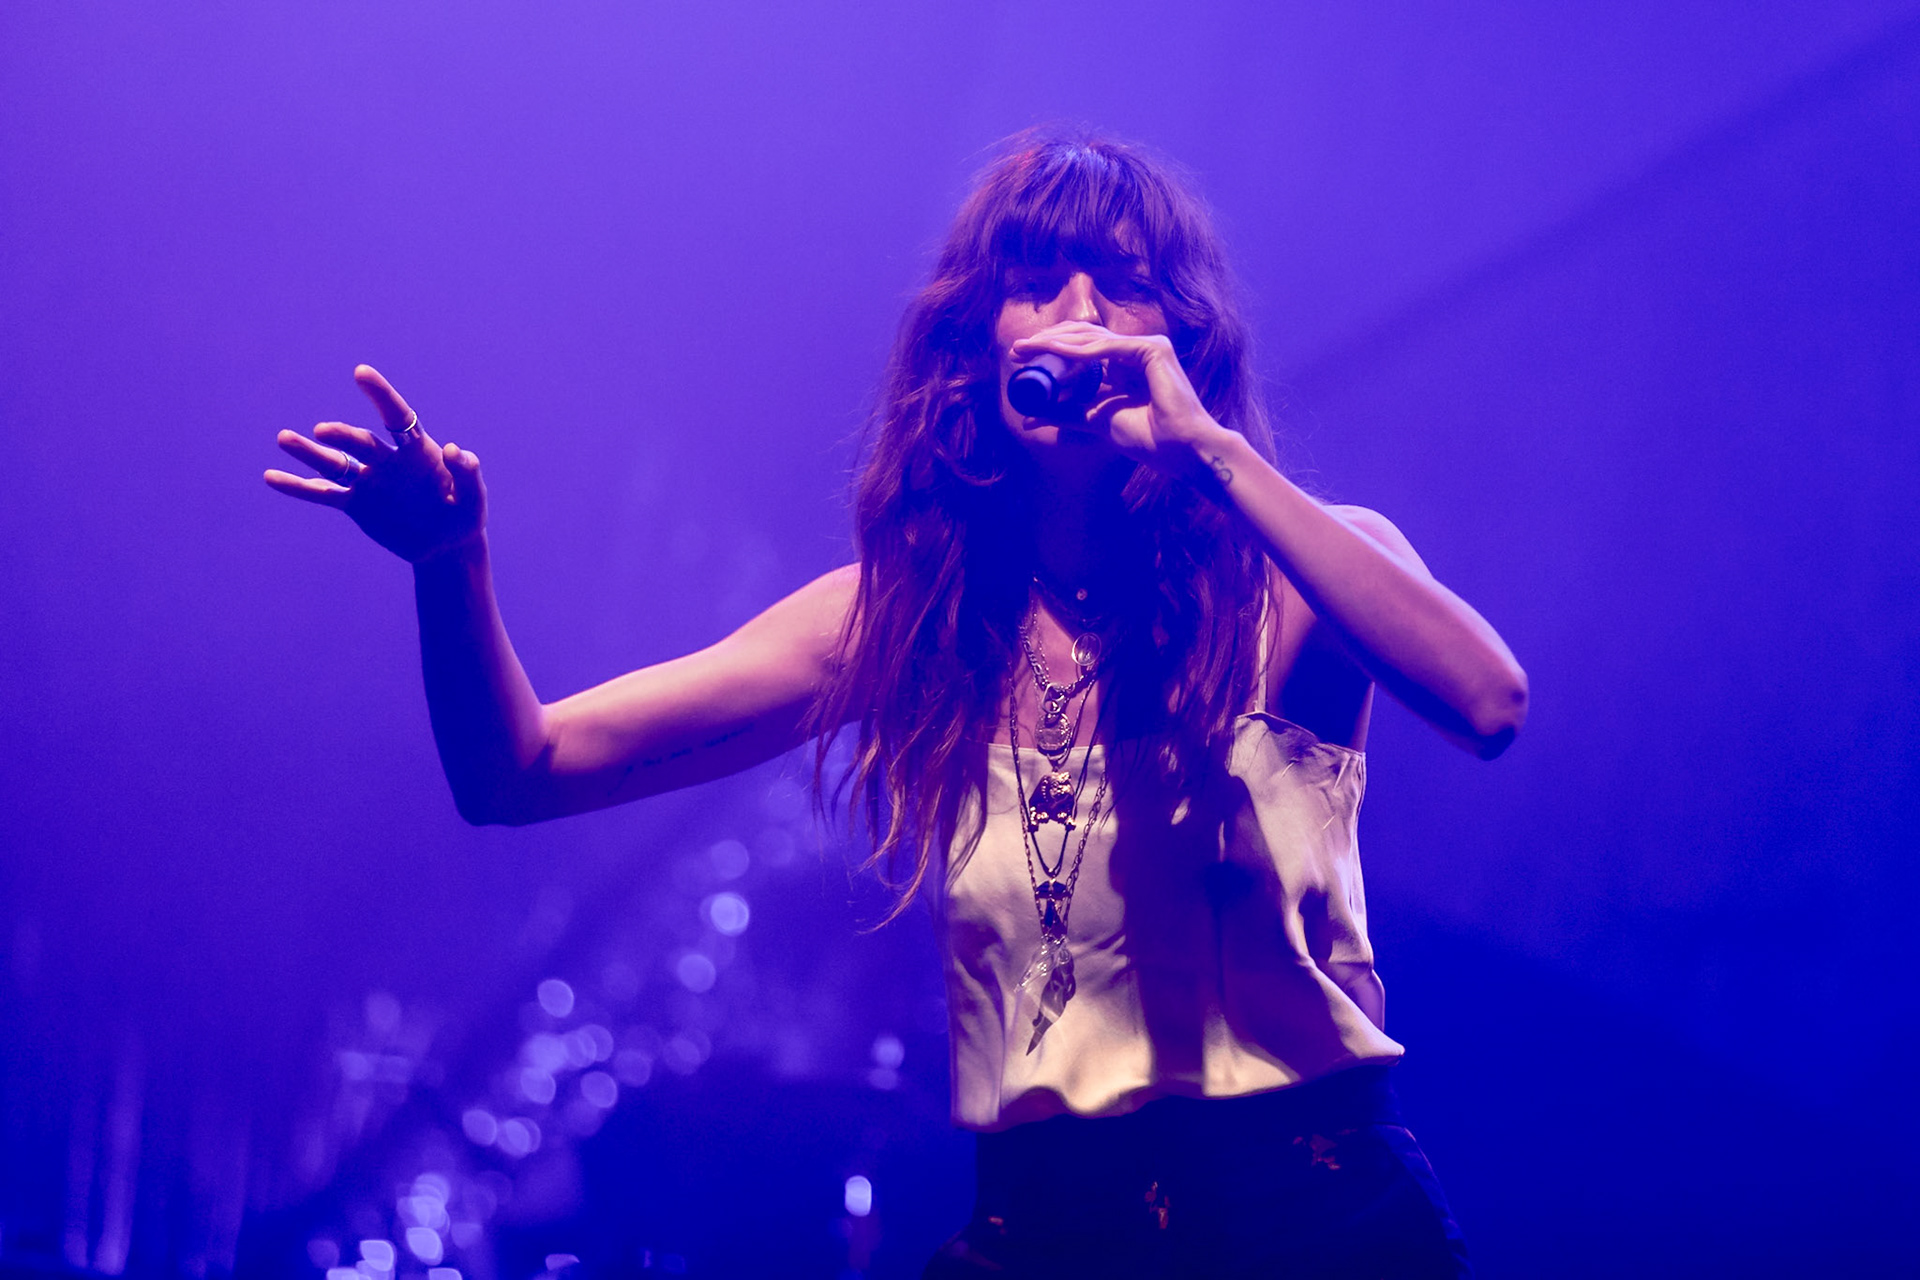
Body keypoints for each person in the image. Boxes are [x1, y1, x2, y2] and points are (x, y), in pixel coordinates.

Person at [266, 132, 1524, 1278]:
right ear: (978, 342)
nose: (1080, 318)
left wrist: (1208, 450)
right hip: (1044, 1225)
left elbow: (1486, 698)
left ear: (1183, 333)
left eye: (1124, 283)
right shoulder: (905, 618)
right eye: (1039, 280)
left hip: (1309, 1215)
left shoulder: (1294, 578)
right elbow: (519, 772)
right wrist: (449, 570)